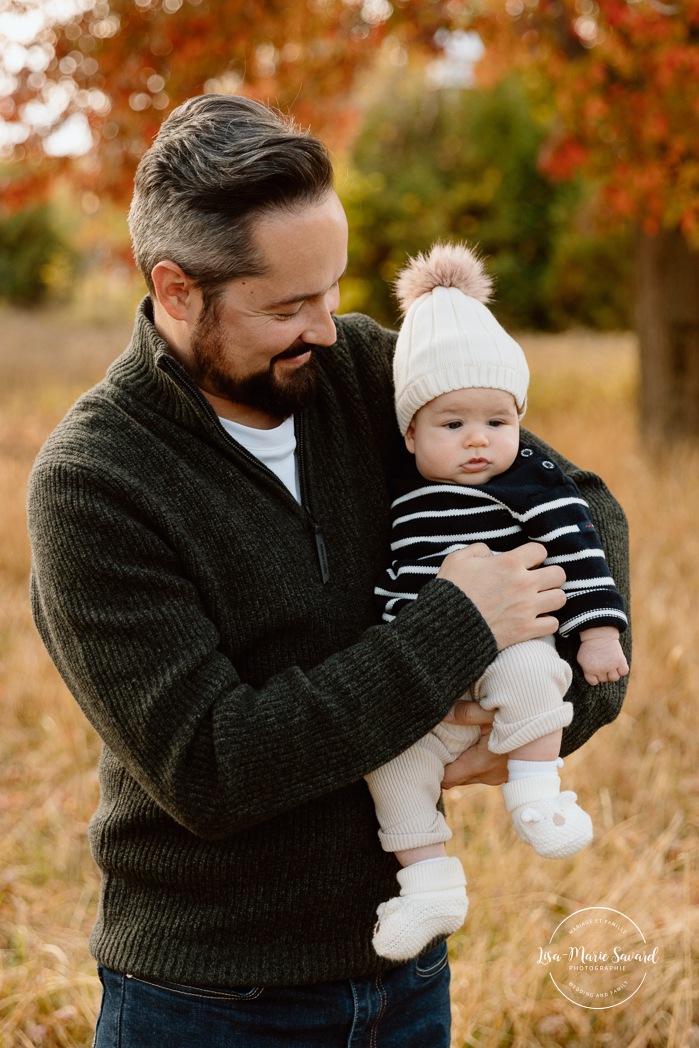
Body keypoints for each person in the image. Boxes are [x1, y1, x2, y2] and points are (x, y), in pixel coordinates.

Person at [26, 94, 631, 1048]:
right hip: (206, 1001)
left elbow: (578, 503)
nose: (329, 327)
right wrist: (454, 627)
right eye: (287, 305)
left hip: (403, 972)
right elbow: (213, 768)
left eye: (334, 287)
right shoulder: (95, 482)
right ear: (178, 290)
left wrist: (551, 719)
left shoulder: (360, 373)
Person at [365, 242, 629, 963]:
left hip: (507, 643)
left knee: (530, 674)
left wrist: (600, 633)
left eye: (498, 422)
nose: (478, 440)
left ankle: (537, 792)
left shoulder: (529, 486)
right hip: (420, 671)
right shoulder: (399, 492)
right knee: (389, 764)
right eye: (453, 426)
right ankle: (427, 884)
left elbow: (580, 554)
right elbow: (390, 579)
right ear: (410, 432)